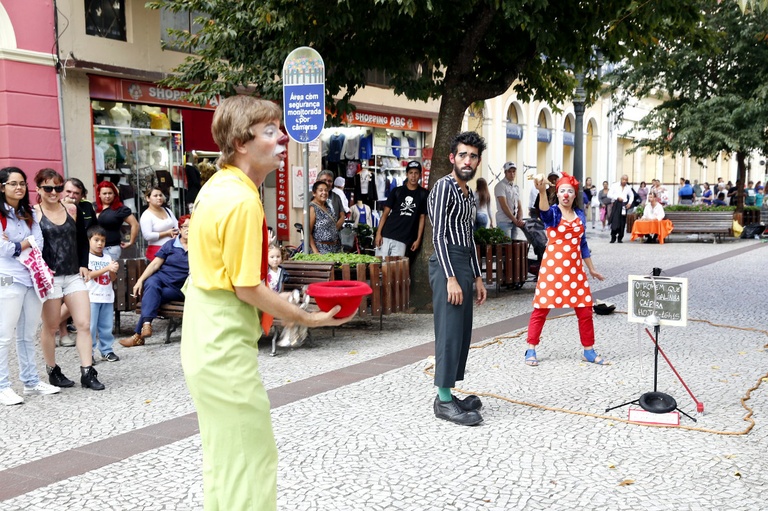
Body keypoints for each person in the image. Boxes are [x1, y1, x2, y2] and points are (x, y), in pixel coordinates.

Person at [180, 96, 352, 510]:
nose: (283, 138)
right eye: (271, 131)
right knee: (251, 460)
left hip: (206, 331)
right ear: (241, 141)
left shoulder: (218, 186)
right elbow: (248, 288)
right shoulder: (240, 200)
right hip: (222, 340)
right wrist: (306, 317)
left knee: (227, 462)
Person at [428, 131, 488, 427]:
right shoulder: (443, 188)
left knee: (462, 332)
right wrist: (450, 276)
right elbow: (438, 234)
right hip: (446, 264)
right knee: (449, 332)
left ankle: (450, 393)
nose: (468, 160)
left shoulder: (468, 194)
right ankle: (442, 401)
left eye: (473, 156)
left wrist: (477, 277)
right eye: (463, 155)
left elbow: (469, 236)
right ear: (453, 158)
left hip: (464, 263)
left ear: (478, 161)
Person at [525, 172, 607, 367]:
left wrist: (592, 269)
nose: (566, 195)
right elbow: (543, 213)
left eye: (570, 191)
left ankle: (588, 350)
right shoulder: (553, 212)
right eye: (562, 191)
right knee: (541, 308)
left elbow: (583, 244)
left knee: (585, 310)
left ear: (574, 194)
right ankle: (531, 348)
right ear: (558, 193)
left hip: (574, 270)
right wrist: (543, 191)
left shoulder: (579, 215)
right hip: (553, 269)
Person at [34, 168, 104, 391]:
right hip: (50, 277)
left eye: (57, 187)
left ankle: (87, 371)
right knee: (51, 326)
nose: (53, 192)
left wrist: (84, 264)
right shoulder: (34, 213)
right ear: (39, 189)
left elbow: (82, 240)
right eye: (48, 188)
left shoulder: (71, 209)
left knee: (83, 323)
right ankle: (52, 369)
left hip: (73, 274)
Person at [0, 167, 61, 405]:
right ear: (2, 186)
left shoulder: (29, 214)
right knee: (4, 336)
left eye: (22, 183)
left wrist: (18, 244)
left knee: (27, 334)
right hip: (7, 278)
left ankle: (31, 381)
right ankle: (3, 386)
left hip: (32, 278)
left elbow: (39, 242)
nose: (19, 187)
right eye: (13, 183)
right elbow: (3, 249)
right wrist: (23, 243)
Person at [119, 215, 191, 348]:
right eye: (186, 226)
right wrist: (140, 280)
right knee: (151, 283)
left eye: (192, 227)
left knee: (152, 296)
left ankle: (139, 335)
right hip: (160, 279)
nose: (189, 230)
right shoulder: (170, 244)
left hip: (178, 288)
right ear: (180, 229)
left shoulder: (199, 247)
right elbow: (154, 265)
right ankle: (146, 326)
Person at [375, 160, 428, 257]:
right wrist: (378, 233)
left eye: (416, 173)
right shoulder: (397, 191)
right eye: (411, 173)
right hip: (386, 235)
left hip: (403, 240)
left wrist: (418, 239)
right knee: (379, 267)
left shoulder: (423, 194)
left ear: (420, 175)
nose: (413, 176)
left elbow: (422, 217)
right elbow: (385, 214)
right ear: (407, 174)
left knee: (396, 270)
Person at [86, 225, 120, 362]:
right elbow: (89, 275)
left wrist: (112, 270)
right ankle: (89, 352)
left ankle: (106, 350)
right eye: (96, 240)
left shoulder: (108, 257)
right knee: (91, 327)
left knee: (106, 326)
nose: (100, 243)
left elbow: (112, 278)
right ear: (89, 240)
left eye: (103, 241)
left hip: (106, 296)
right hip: (92, 297)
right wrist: (107, 267)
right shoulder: (87, 257)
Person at [95, 181, 139, 261]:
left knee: (109, 272)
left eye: (110, 193)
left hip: (110, 248)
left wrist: (131, 242)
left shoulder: (120, 209)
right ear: (99, 194)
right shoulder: (94, 207)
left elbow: (135, 224)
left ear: (114, 194)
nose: (107, 196)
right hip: (94, 248)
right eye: (104, 193)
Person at [139, 187, 179, 260]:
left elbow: (177, 225)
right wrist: (166, 233)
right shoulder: (146, 215)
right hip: (157, 250)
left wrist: (176, 233)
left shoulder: (167, 210)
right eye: (155, 196)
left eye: (160, 195)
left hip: (172, 248)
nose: (159, 198)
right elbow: (147, 236)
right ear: (148, 198)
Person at [308, 181, 342, 254]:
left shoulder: (328, 206)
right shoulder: (312, 208)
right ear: (314, 193)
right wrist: (316, 252)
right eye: (320, 190)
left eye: (326, 190)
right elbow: (308, 232)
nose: (324, 193)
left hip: (335, 249)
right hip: (321, 250)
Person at [493, 162, 524, 239]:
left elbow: (519, 206)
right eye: (509, 171)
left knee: (514, 247)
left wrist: (519, 219)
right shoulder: (500, 186)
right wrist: (515, 220)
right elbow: (504, 206)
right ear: (505, 172)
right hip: (504, 221)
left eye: (514, 171)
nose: (512, 174)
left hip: (515, 222)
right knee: (506, 247)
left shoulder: (516, 187)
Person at [607, 174, 634, 243]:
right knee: (615, 221)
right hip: (616, 204)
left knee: (622, 222)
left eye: (626, 180)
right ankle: (613, 237)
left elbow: (632, 195)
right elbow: (609, 194)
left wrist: (629, 203)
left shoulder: (628, 187)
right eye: (623, 179)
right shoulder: (615, 185)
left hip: (624, 205)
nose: (624, 181)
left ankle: (620, 237)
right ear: (621, 179)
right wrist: (617, 197)